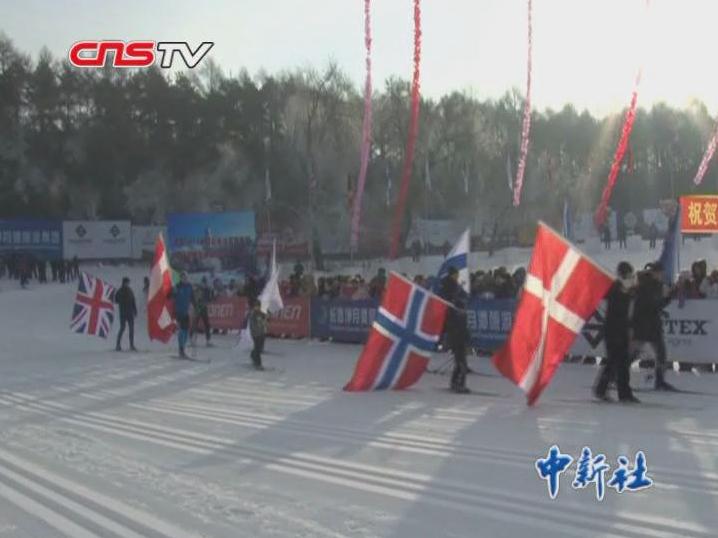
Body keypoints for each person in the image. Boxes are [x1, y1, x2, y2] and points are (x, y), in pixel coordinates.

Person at [594, 262, 639, 403]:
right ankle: (601, 389)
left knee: (623, 364)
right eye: (628, 276)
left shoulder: (629, 291)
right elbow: (615, 308)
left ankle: (624, 393)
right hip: (612, 331)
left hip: (623, 331)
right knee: (613, 362)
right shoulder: (614, 290)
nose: (630, 279)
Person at [632, 261, 675, 391]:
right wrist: (666, 299)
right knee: (633, 353)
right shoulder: (645, 285)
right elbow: (649, 305)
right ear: (655, 273)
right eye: (660, 272)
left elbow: (656, 305)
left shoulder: (657, 285)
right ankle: (614, 377)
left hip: (653, 324)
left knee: (661, 353)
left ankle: (660, 381)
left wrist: (668, 298)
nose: (662, 275)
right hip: (643, 324)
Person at [439, 266, 471, 394]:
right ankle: (458, 383)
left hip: (456, 329)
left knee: (460, 359)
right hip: (456, 331)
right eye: (456, 274)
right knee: (461, 360)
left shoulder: (452, 287)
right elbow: (452, 301)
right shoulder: (450, 288)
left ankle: (455, 381)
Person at [168, 271, 195, 358]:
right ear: (181, 278)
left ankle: (183, 348)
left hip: (186, 312)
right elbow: (169, 296)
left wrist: (195, 306)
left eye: (186, 277)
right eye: (183, 278)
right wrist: (172, 291)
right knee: (181, 331)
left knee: (186, 331)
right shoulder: (177, 286)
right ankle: (181, 350)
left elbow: (192, 298)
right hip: (178, 312)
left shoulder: (189, 286)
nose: (185, 279)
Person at [114, 277, 138, 351]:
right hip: (123, 313)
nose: (127, 284)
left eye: (128, 283)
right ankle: (118, 345)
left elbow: (133, 301)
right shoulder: (120, 291)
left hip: (130, 312)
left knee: (131, 329)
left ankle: (131, 345)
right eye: (126, 283)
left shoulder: (130, 290)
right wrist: (121, 298)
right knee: (122, 328)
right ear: (123, 283)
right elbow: (116, 300)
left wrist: (135, 310)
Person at [192, 276, 214, 347]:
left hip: (204, 308)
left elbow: (210, 299)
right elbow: (194, 297)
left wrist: (212, 292)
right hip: (198, 308)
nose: (204, 284)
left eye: (205, 283)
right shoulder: (198, 289)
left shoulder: (207, 290)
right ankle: (193, 340)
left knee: (207, 324)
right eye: (203, 282)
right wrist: (195, 305)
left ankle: (208, 340)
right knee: (195, 324)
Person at [248, 298, 268, 370]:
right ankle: (258, 363)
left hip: (262, 333)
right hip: (256, 333)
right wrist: (255, 331)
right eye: (255, 306)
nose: (257, 307)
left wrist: (265, 320)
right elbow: (252, 324)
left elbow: (265, 321)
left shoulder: (261, 313)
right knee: (257, 348)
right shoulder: (253, 314)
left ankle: (253, 355)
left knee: (259, 348)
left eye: (258, 306)